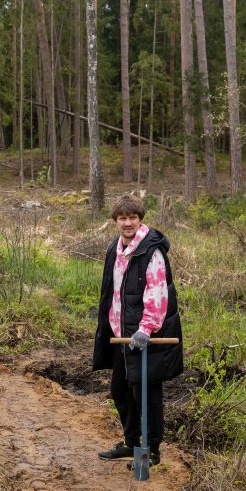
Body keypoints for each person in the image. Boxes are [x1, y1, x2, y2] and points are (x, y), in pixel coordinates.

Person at [93, 194, 183, 467]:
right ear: (116, 221)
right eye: (122, 218)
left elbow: (157, 294)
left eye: (132, 217)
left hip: (146, 336)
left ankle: (152, 450)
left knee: (147, 394)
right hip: (122, 333)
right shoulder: (115, 248)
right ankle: (132, 443)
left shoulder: (150, 251)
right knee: (120, 390)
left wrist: (146, 329)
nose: (128, 223)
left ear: (140, 219)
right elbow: (113, 290)